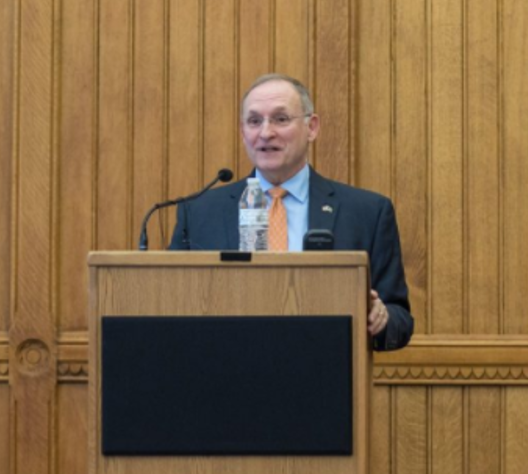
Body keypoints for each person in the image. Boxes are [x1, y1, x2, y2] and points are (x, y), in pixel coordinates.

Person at [170, 73, 413, 351]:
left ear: (312, 127)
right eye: (254, 121)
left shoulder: (367, 212)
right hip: (223, 365)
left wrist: (381, 318)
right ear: (242, 132)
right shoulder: (199, 212)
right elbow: (170, 302)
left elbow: (400, 319)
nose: (265, 133)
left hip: (323, 367)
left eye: (281, 119)